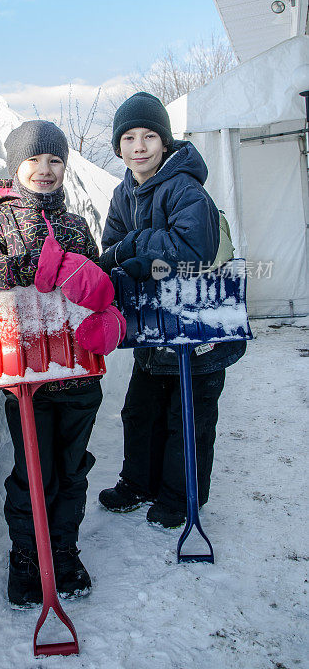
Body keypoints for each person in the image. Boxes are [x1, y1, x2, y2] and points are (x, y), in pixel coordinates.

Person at [0, 120, 104, 607]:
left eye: (55, 160)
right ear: (15, 166)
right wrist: (24, 268)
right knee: (34, 471)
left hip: (79, 368)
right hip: (29, 374)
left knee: (73, 468)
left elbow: (97, 282)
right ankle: (27, 556)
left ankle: (63, 550)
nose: (45, 170)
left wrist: (91, 279)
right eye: (34, 160)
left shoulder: (76, 224)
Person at [98, 92, 246, 528]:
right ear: (119, 146)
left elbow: (195, 248)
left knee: (189, 417)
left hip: (199, 325)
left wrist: (139, 248)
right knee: (140, 411)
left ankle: (181, 497)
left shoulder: (186, 188)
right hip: (155, 326)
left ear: (164, 142)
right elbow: (112, 249)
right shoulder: (123, 193)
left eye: (149, 136)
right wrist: (125, 253)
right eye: (128, 137)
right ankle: (139, 482)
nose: (138, 146)